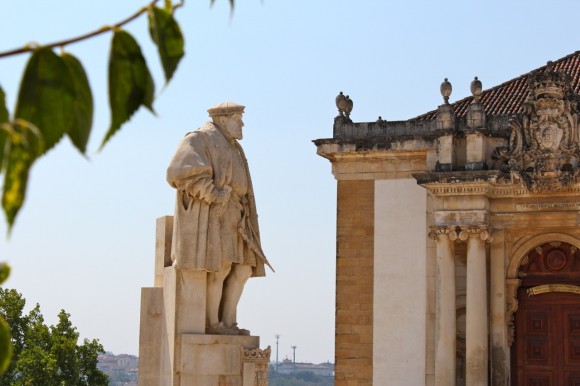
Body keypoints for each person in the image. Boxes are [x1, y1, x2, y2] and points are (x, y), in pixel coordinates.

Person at [166, 101, 270, 335]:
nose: (242, 124)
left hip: (239, 214)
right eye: (238, 119)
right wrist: (212, 193)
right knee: (220, 268)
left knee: (243, 269)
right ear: (223, 119)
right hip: (217, 212)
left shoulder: (234, 147)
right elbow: (178, 171)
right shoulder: (199, 138)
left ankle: (229, 322)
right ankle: (214, 324)